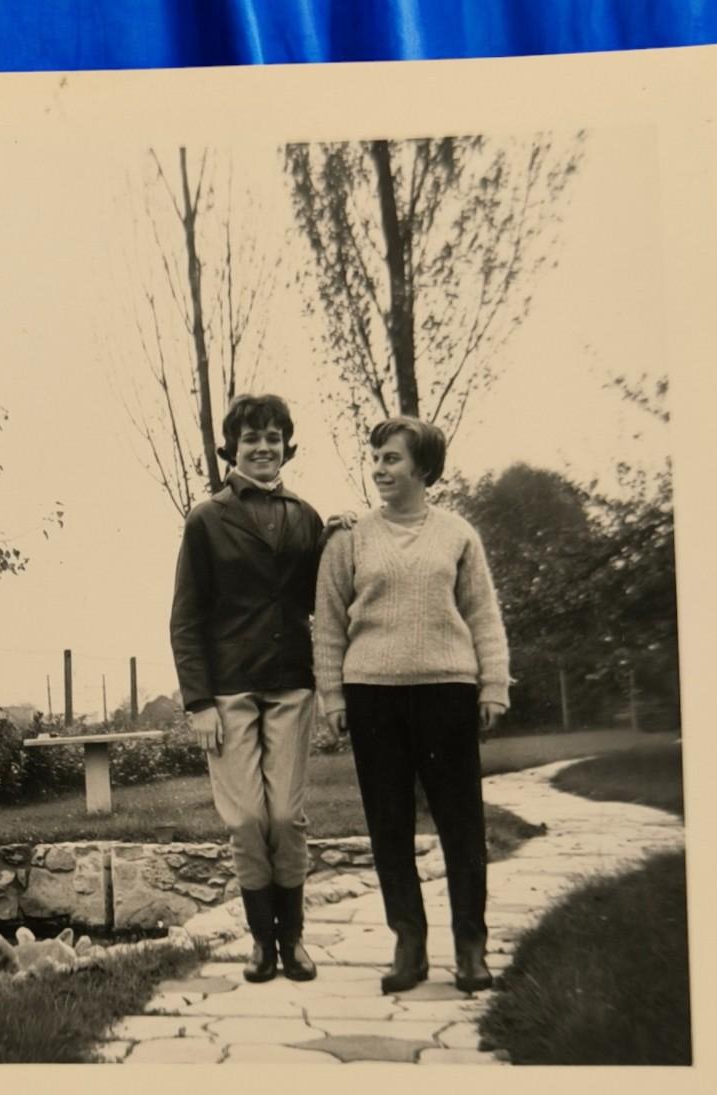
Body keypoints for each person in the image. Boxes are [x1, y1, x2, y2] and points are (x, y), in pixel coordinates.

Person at [313, 415, 510, 995]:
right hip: (373, 698)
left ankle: (471, 947)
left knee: (462, 823)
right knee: (389, 826)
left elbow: (483, 615)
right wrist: (333, 695)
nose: (379, 469)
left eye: (392, 458)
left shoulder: (457, 534)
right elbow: (327, 623)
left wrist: (492, 684)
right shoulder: (347, 539)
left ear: (424, 467)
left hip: (447, 693)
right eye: (374, 458)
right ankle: (410, 945)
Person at [169, 394, 323, 984]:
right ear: (230, 448)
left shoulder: (306, 516)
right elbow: (185, 618)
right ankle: (262, 942)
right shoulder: (206, 518)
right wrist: (198, 701)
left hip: (291, 685)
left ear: (287, 445)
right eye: (251, 438)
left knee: (285, 815)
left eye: (274, 436)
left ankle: (295, 940)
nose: (263, 446)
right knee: (245, 820)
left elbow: (319, 601)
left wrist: (340, 541)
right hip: (229, 691)